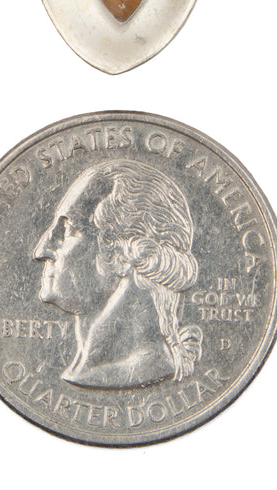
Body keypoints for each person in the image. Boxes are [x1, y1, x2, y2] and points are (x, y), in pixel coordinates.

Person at [34, 159, 203, 389]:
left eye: (70, 230)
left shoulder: (140, 370)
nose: (41, 251)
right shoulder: (90, 371)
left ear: (124, 255)